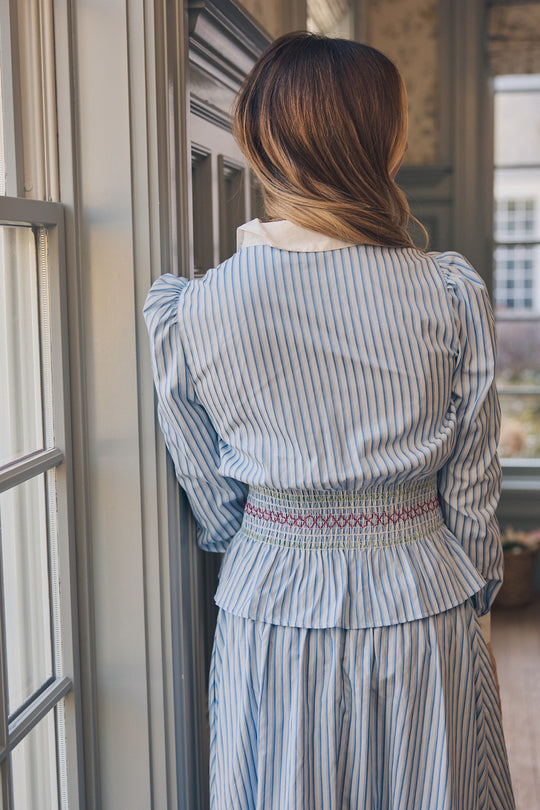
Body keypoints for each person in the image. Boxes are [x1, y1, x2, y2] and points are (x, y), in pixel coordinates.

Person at [144, 32, 515, 810]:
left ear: (259, 143)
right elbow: (474, 486)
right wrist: (472, 588)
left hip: (271, 601)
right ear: (384, 143)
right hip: (421, 595)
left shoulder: (193, 309)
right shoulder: (449, 292)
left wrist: (282, 533)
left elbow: (211, 501)